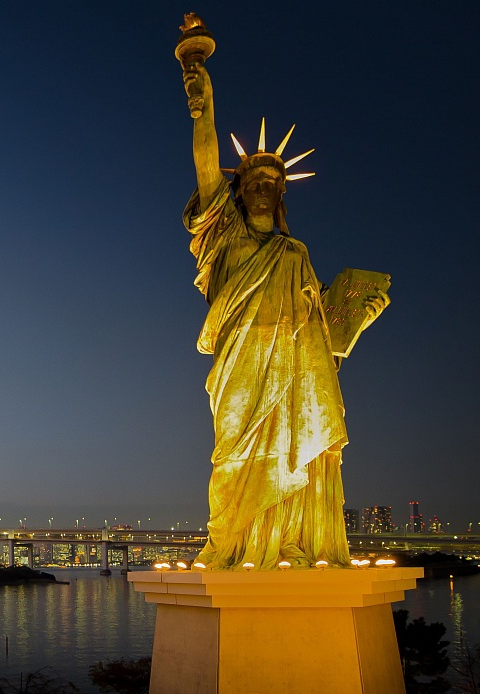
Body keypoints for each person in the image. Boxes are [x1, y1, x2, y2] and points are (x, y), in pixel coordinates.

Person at [181, 62, 386, 569]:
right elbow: (207, 166)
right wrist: (202, 98)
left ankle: (290, 544)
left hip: (295, 372)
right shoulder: (223, 238)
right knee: (231, 457)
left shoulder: (295, 253)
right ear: (239, 190)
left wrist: (356, 315)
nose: (263, 190)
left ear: (281, 194)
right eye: (254, 182)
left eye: (273, 183)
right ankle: (233, 543)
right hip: (240, 367)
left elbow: (321, 328)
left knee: (300, 447)